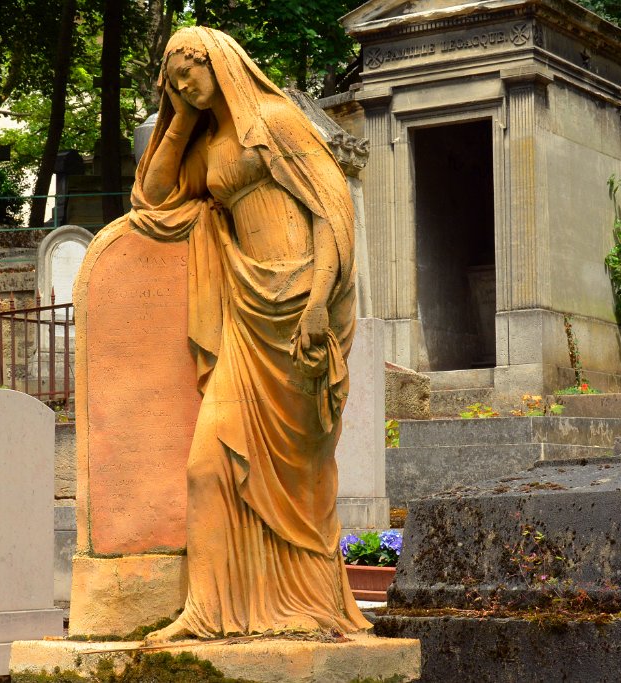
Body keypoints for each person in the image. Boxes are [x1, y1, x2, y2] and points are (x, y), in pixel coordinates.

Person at [116, 25, 371, 640]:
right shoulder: (209, 146)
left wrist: (316, 303)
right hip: (246, 318)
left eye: (191, 73)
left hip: (301, 314)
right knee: (209, 466)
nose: (184, 85)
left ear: (220, 61)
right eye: (173, 81)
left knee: (301, 476)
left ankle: (310, 605)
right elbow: (151, 199)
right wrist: (177, 118)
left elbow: (332, 211)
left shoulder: (278, 121)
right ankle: (207, 611)